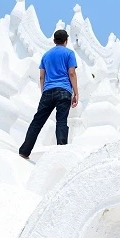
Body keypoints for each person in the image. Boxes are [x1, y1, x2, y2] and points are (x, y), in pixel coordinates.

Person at [19, 29, 79, 159]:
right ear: (66, 41)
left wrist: (44, 91)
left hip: (47, 90)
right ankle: (61, 151)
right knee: (61, 121)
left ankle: (24, 151)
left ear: (54, 41)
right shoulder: (69, 53)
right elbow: (72, 73)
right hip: (64, 90)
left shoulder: (46, 56)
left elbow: (41, 77)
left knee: (37, 122)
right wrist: (76, 93)